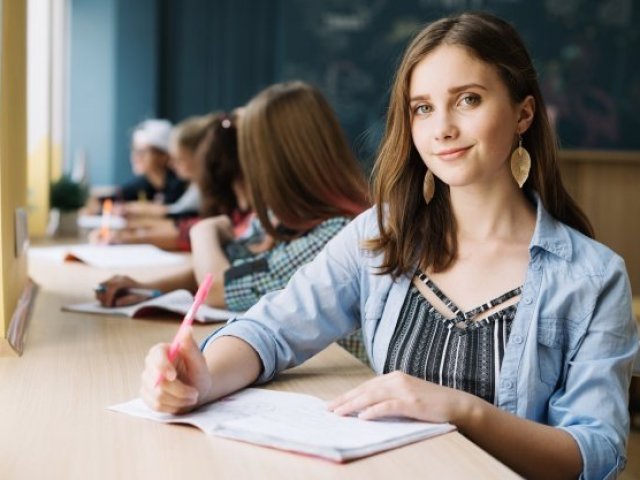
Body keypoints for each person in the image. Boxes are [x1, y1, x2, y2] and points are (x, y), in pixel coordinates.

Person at [137, 13, 638, 480]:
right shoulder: (378, 235)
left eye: (468, 99)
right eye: (423, 108)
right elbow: (271, 329)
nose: (442, 127)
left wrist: (461, 410)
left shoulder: (593, 277)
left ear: (523, 113)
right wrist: (202, 377)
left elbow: (595, 454)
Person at [96, 81, 369, 313]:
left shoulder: (338, 231)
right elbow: (234, 270)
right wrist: (148, 288)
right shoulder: (282, 214)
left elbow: (217, 290)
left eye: (249, 154)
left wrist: (203, 231)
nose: (245, 167)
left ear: (278, 160)